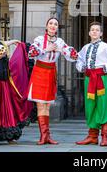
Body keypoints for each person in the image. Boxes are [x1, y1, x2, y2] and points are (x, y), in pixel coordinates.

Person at [28, 17, 78, 145]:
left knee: (47, 106)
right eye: (50, 23)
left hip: (51, 73)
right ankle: (43, 136)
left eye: (55, 24)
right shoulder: (39, 40)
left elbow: (73, 55)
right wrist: (47, 49)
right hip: (39, 72)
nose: (53, 26)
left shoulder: (60, 42)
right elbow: (31, 52)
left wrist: (61, 50)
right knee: (40, 104)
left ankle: (47, 136)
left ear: (57, 28)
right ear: (46, 26)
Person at [75, 22, 107, 147]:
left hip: (101, 78)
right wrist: (82, 67)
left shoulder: (106, 47)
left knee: (104, 105)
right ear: (89, 32)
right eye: (92, 30)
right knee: (90, 105)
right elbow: (79, 59)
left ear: (101, 33)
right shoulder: (85, 48)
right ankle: (92, 136)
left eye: (97, 30)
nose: (95, 32)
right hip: (89, 78)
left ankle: (105, 136)